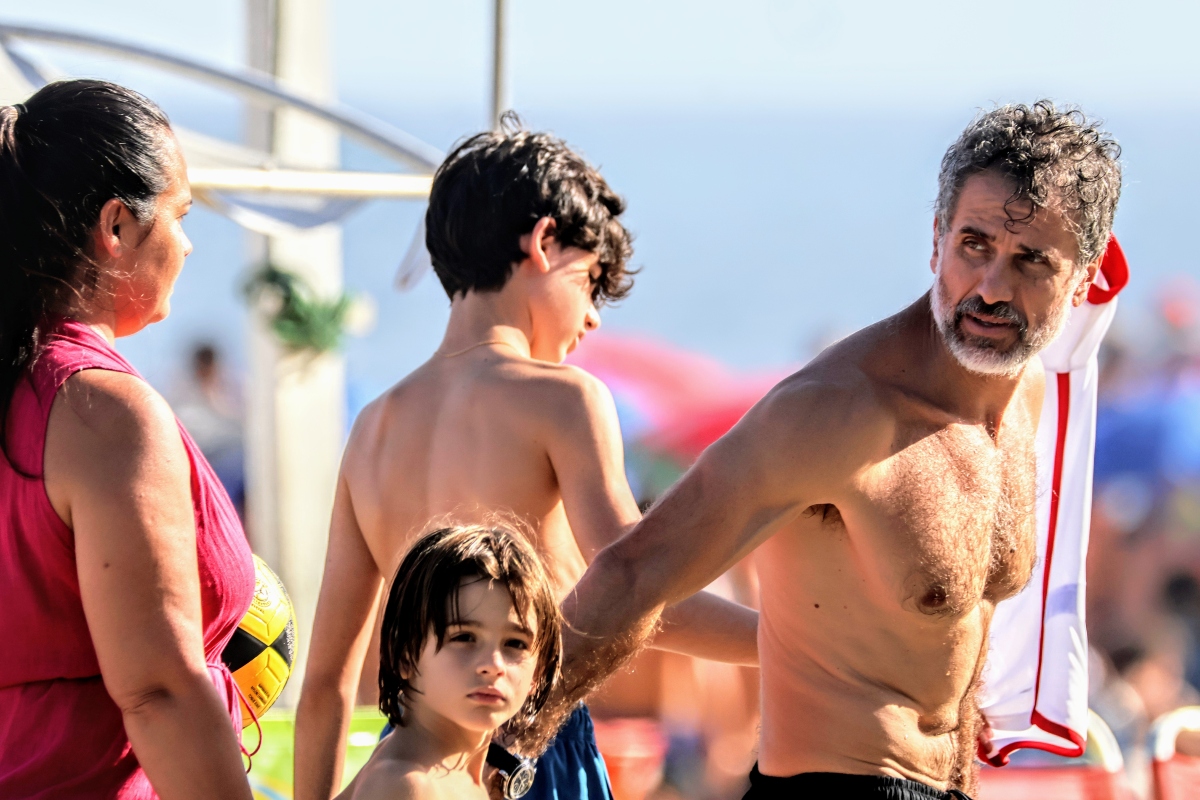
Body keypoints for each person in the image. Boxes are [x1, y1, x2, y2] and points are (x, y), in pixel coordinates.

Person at [530, 101, 1123, 799]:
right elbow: (634, 574)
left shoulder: (1028, 402)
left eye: (1031, 262)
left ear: (1083, 277)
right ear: (936, 241)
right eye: (974, 245)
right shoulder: (837, 412)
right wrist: (499, 749)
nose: (992, 288)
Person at [295, 117, 759, 800]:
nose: (594, 318)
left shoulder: (373, 428)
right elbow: (636, 588)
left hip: (416, 759)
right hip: (526, 752)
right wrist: (798, 641)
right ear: (544, 243)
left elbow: (328, 686)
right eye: (592, 282)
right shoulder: (563, 400)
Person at [0, 80, 255, 799]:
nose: (189, 241)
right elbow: (159, 692)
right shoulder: (103, 414)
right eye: (179, 214)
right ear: (115, 227)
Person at [336, 524, 561, 800]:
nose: (493, 664)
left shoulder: (463, 777)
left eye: (515, 643)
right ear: (404, 656)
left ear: (537, 672)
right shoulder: (405, 785)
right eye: (464, 637)